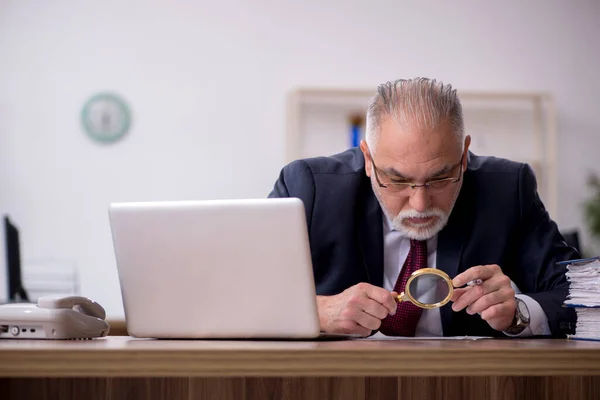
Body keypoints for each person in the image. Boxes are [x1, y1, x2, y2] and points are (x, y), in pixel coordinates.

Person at [268, 78, 578, 338]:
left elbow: (582, 298)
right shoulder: (310, 188)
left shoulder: (508, 190)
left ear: (465, 154)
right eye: (397, 180)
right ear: (367, 159)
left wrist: (519, 313)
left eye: (441, 178)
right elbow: (238, 294)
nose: (420, 204)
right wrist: (318, 312)